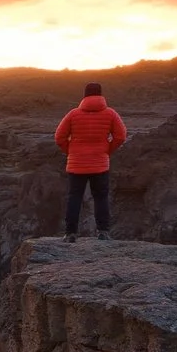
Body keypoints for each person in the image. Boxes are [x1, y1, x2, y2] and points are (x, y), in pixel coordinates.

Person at [54, 81, 127, 240]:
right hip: (100, 165)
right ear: (101, 94)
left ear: (84, 95)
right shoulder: (110, 114)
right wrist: (107, 151)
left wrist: (72, 152)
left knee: (75, 197)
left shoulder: (73, 114)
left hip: (76, 165)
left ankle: (70, 233)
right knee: (100, 197)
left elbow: (59, 137)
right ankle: (103, 232)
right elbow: (121, 136)